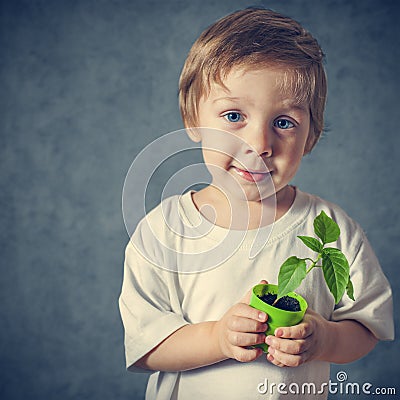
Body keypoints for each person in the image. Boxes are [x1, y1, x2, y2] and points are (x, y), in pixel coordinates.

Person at [119, 7, 394, 399]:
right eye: (234, 115)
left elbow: (368, 326)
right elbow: (146, 347)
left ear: (310, 137)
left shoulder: (331, 229)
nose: (260, 145)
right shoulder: (164, 231)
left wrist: (326, 339)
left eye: (284, 122)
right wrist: (218, 337)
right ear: (192, 119)